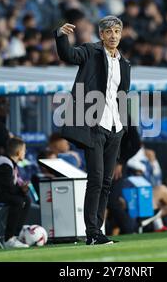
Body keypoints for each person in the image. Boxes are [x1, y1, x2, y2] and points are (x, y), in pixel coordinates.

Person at [54, 15, 131, 245]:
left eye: (117, 31)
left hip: (114, 127)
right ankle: (92, 232)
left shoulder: (125, 64)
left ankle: (98, 231)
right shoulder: (90, 51)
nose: (113, 35)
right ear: (101, 35)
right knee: (96, 179)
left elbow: (122, 95)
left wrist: (123, 125)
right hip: (94, 125)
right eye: (108, 32)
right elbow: (68, 55)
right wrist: (60, 36)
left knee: (107, 182)